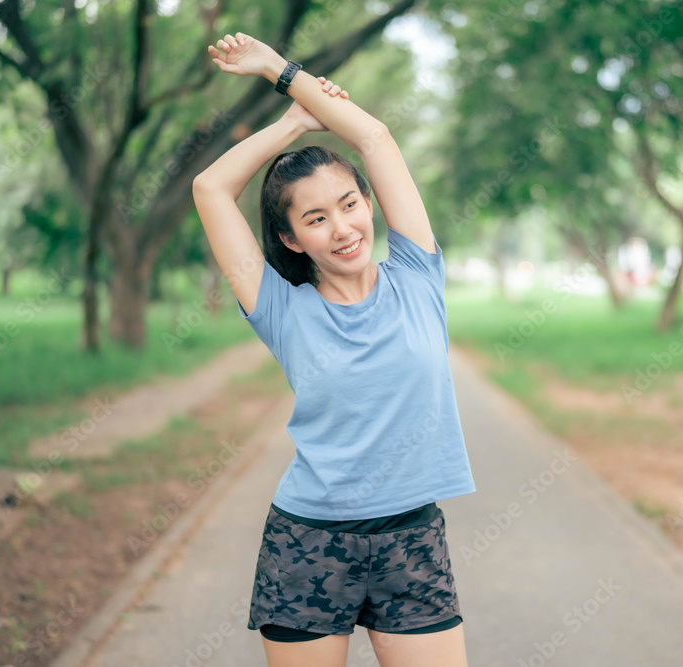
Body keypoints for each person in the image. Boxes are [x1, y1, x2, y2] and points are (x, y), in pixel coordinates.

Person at [192, 32, 476, 667]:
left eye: (349, 205)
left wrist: (278, 69)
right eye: (316, 218)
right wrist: (292, 124)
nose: (342, 228)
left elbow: (373, 138)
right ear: (292, 239)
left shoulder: (418, 275)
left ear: (369, 204)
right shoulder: (279, 307)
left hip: (412, 540)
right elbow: (210, 189)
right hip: (308, 545)